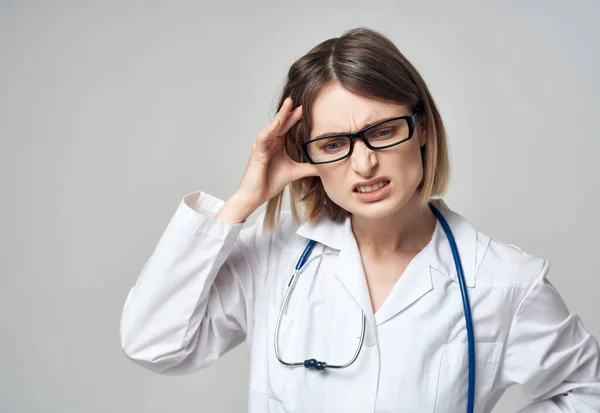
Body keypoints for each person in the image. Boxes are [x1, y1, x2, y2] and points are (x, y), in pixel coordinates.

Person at [119, 27, 600, 413]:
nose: (364, 164)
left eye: (383, 131)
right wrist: (242, 202)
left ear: (423, 127)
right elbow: (154, 344)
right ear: (306, 155)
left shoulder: (503, 281)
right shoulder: (273, 260)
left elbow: (587, 390)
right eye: (333, 144)